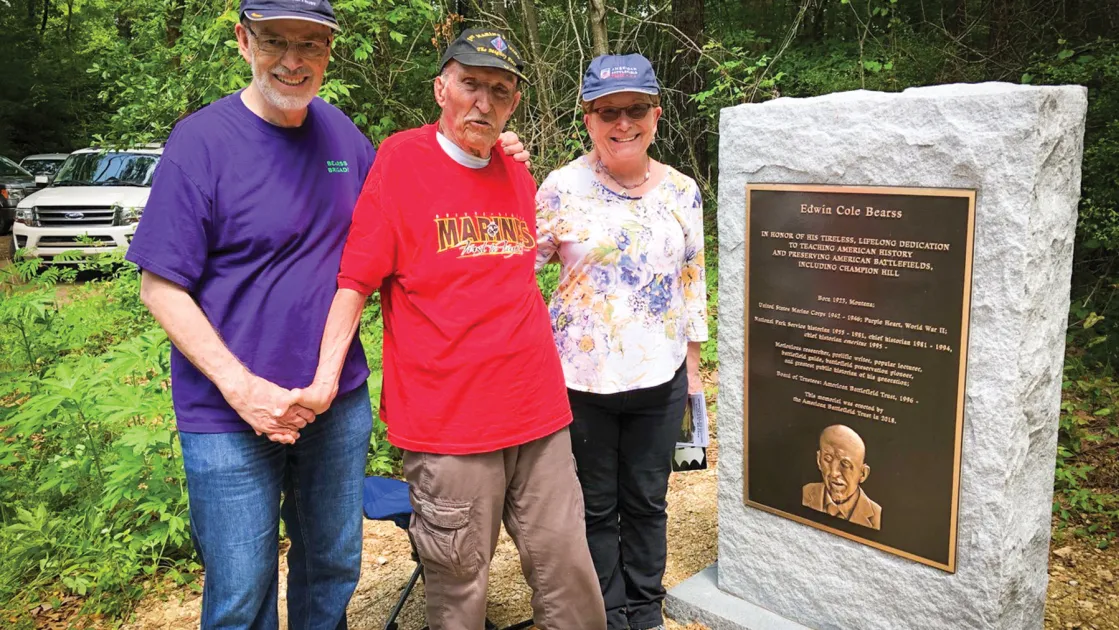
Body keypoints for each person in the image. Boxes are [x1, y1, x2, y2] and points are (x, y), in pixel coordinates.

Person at [126, 2, 528, 627]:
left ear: (328, 53)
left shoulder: (345, 138)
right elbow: (160, 287)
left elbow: (415, 213)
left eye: (310, 44)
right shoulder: (200, 143)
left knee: (333, 570)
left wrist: (491, 152)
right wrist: (243, 388)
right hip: (227, 413)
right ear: (243, 40)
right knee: (239, 591)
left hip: (335, 403)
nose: (293, 60)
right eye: (276, 41)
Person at [296, 27, 606, 630]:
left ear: (515, 102)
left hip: (539, 411)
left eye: (500, 90)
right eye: (470, 84)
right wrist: (322, 381)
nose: (484, 102)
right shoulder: (400, 162)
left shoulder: (515, 172)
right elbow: (355, 282)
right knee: (460, 589)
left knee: (569, 569)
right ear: (442, 87)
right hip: (450, 426)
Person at [534, 53, 709, 630]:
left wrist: (693, 370)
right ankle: (607, 611)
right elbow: (518, 272)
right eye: (608, 111)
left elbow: (692, 280)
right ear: (588, 119)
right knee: (595, 505)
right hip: (581, 382)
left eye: (635, 108)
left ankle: (644, 608)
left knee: (648, 500)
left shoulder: (682, 191)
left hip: (659, 379)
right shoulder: (561, 187)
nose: (623, 122)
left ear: (656, 116)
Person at [801, 424, 882, 530]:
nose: (834, 473)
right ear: (819, 460)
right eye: (828, 458)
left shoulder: (876, 515)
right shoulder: (806, 492)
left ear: (863, 473)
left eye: (845, 463)